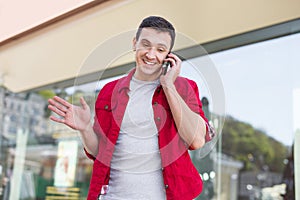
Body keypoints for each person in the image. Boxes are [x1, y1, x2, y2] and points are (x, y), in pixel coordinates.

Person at [48, 16, 215, 200]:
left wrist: (168, 86)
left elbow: (196, 140)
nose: (151, 55)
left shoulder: (184, 88)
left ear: (169, 55)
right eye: (146, 45)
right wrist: (85, 128)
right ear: (134, 43)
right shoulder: (109, 91)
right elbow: (99, 153)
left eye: (160, 50)